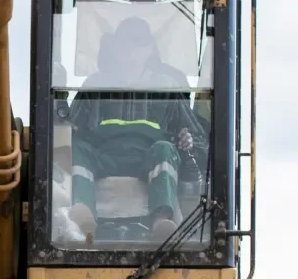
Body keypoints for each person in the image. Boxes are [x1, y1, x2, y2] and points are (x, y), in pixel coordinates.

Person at [66, 15, 207, 243]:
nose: (131, 53)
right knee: (77, 148)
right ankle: (84, 214)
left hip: (148, 160)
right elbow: (69, 131)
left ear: (150, 50)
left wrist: (188, 141)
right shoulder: (94, 86)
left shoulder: (167, 87)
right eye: (125, 45)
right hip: (104, 159)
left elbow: (198, 139)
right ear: (116, 50)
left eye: (139, 45)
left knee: (164, 148)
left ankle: (161, 221)